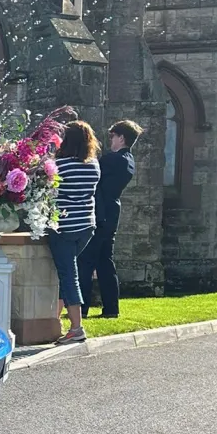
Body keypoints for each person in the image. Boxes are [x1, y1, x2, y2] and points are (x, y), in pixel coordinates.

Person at [78, 120, 141, 319]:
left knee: (86, 261)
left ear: (121, 138)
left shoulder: (113, 160)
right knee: (105, 262)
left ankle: (82, 309)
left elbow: (91, 168)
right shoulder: (128, 160)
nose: (111, 140)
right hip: (111, 213)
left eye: (113, 136)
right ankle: (111, 309)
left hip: (100, 214)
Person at [48, 120, 102, 345]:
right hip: (87, 226)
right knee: (67, 273)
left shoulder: (61, 166)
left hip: (64, 227)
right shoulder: (94, 165)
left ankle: (77, 328)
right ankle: (54, 321)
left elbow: (49, 191)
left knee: (69, 276)